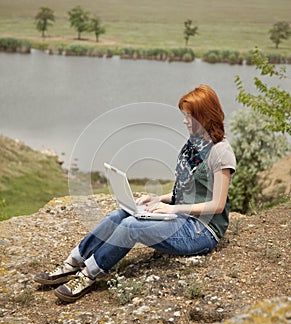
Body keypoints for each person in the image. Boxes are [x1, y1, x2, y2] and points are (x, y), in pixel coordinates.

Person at [34, 85, 236, 302]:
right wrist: (160, 199)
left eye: (189, 116)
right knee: (118, 216)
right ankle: (72, 263)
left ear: (204, 116)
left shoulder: (221, 152)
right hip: (179, 217)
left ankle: (88, 275)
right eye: (184, 115)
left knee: (131, 227)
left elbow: (217, 205)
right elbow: (187, 190)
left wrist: (173, 208)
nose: (185, 121)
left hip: (201, 231)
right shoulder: (193, 144)